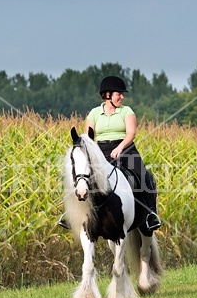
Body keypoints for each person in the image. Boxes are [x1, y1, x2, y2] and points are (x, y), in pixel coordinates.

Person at [59, 76, 162, 231]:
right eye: (118, 93)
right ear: (107, 95)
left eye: (122, 94)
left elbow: (131, 133)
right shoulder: (94, 113)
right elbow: (88, 137)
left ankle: (150, 214)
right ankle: (71, 214)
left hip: (126, 150)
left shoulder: (126, 112)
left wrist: (120, 148)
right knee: (81, 176)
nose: (122, 96)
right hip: (100, 151)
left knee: (144, 176)